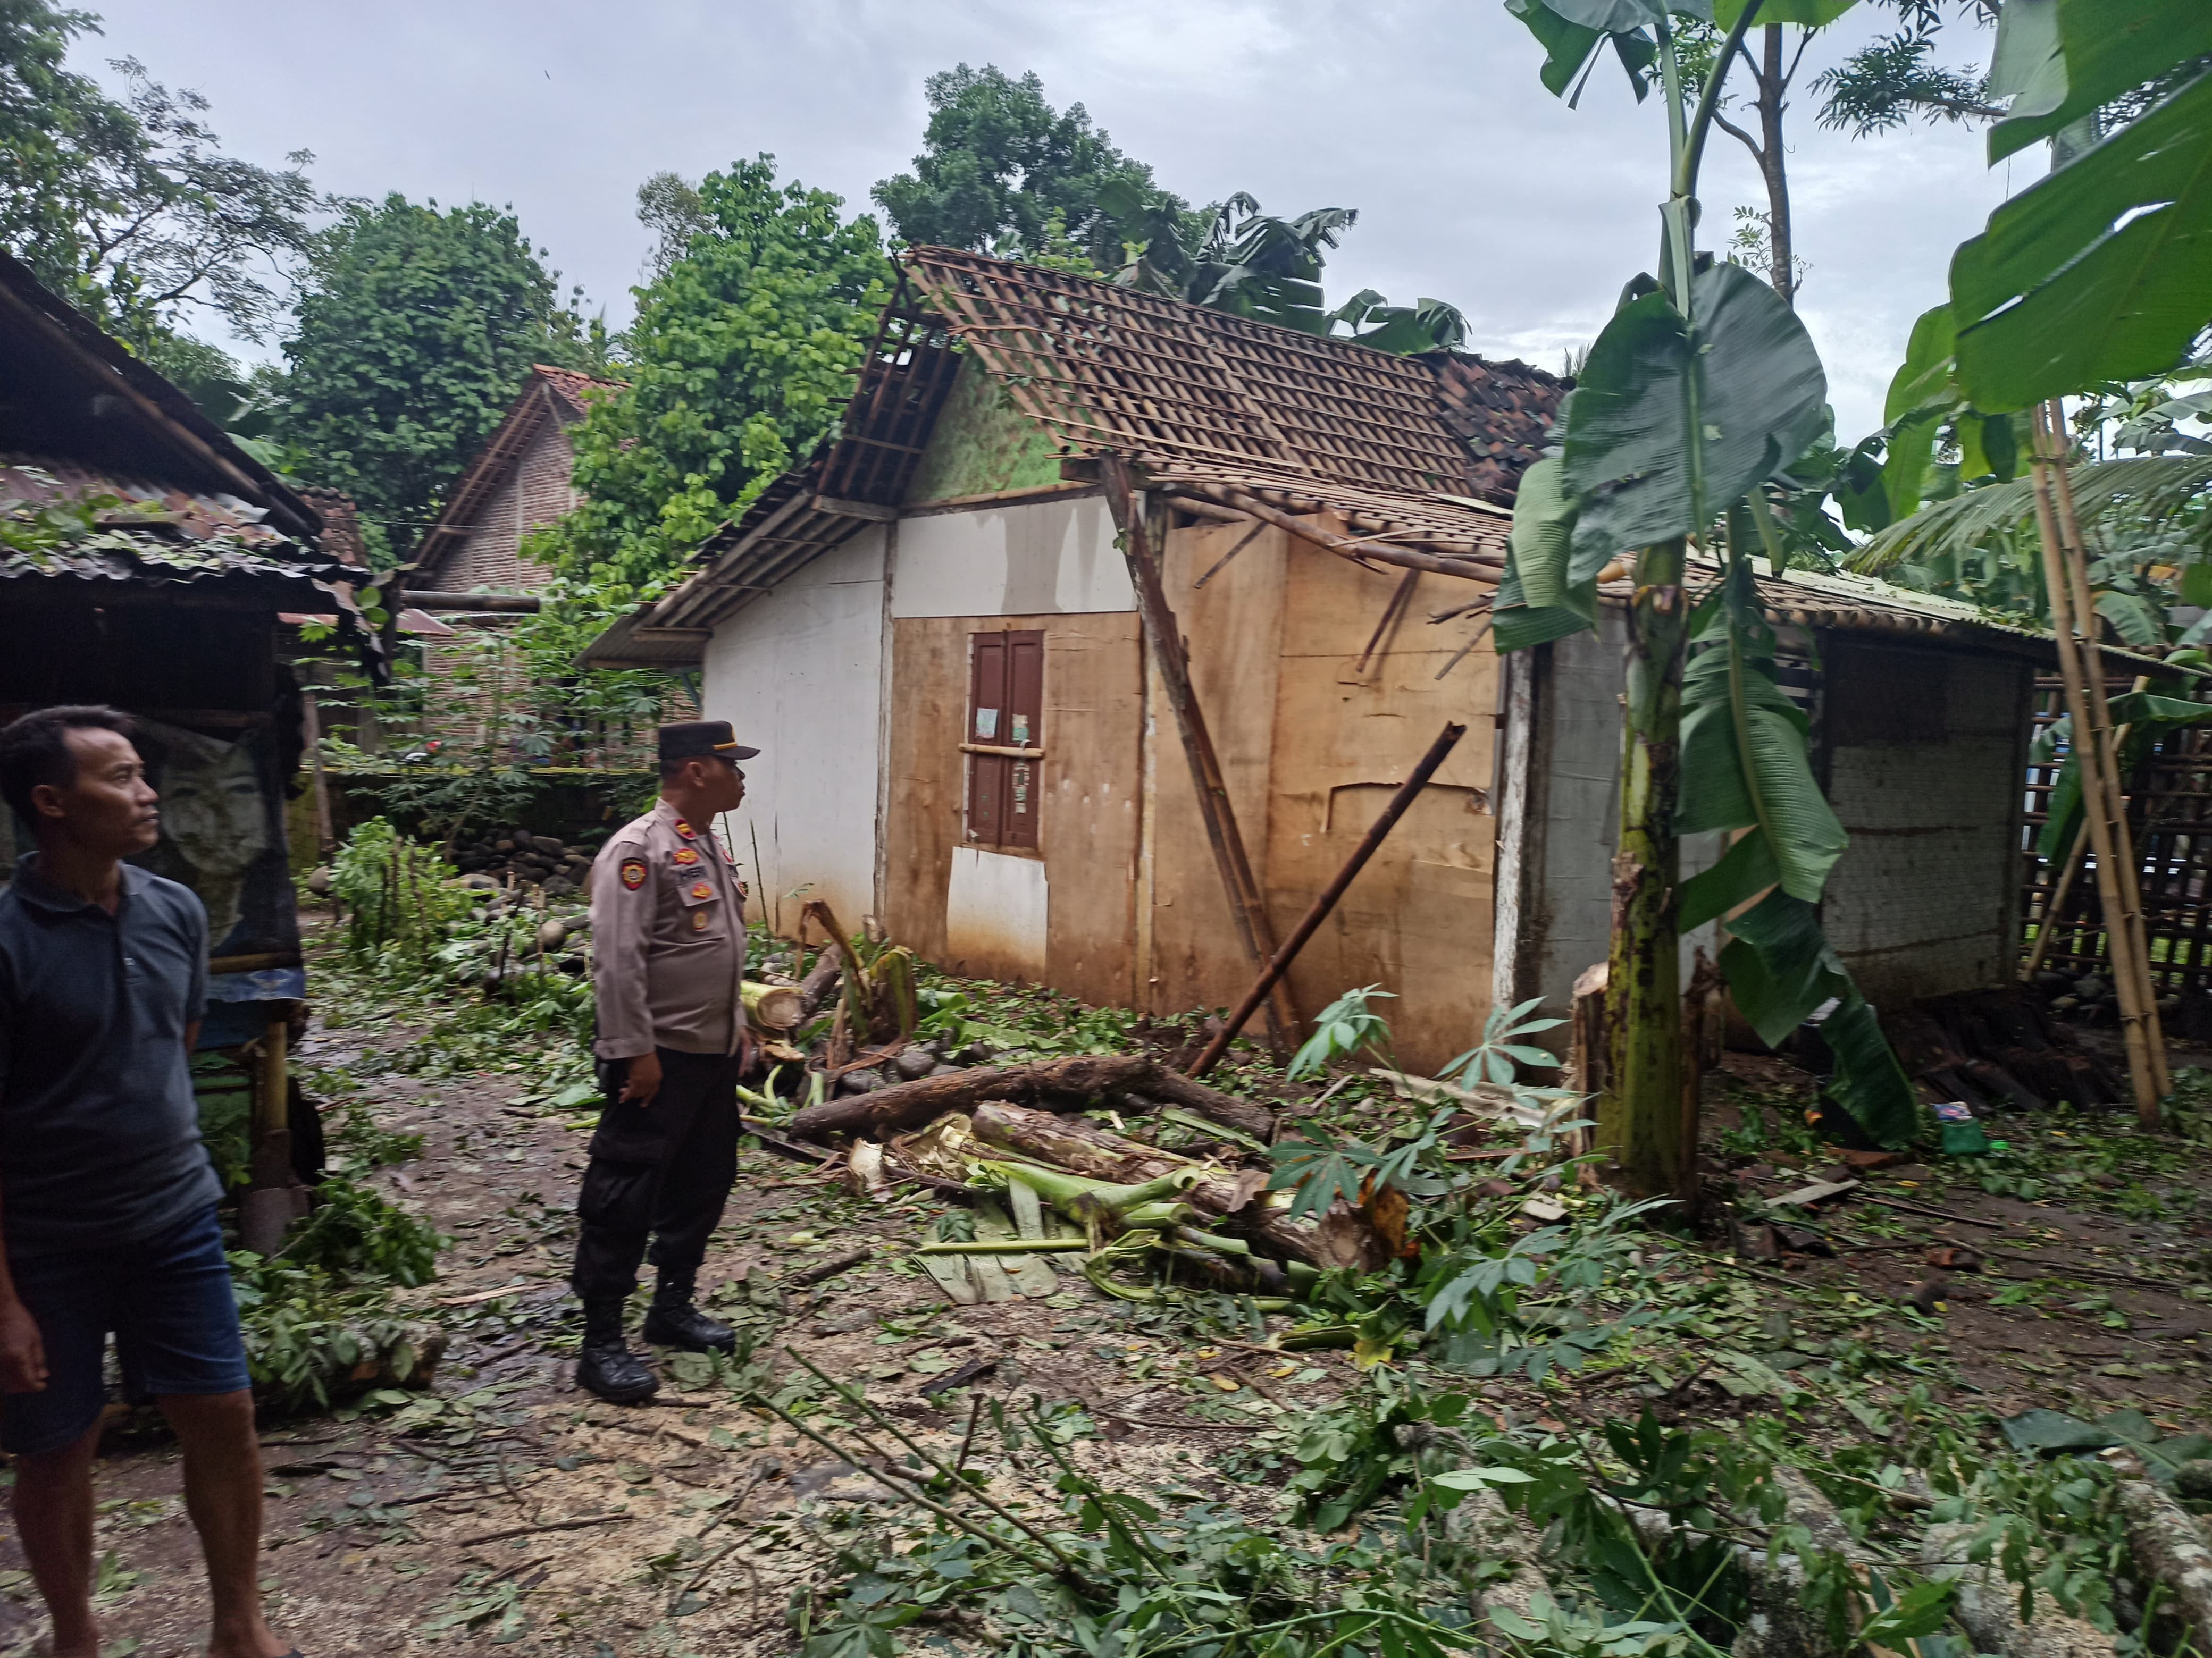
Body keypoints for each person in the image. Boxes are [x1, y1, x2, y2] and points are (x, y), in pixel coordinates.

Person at [0, 705, 291, 1658]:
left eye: (141, 772)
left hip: (175, 1219)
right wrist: (5, 1299)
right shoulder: (7, 940)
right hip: (47, 1241)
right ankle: (75, 1634)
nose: (147, 791)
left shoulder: (177, 909)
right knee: (57, 1446)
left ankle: (239, 1627)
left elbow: (172, 1043)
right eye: (120, 776)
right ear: (51, 801)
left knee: (224, 1414)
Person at [569, 720, 758, 1404]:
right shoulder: (637, 848)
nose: (742, 778)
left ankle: (671, 1306)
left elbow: (718, 951)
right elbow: (616, 962)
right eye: (731, 765)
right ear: (696, 770)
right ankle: (601, 1343)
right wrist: (634, 1054)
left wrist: (736, 1029)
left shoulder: (705, 844)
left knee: (703, 1183)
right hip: (657, 1059)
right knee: (624, 1193)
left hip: (708, 1056)